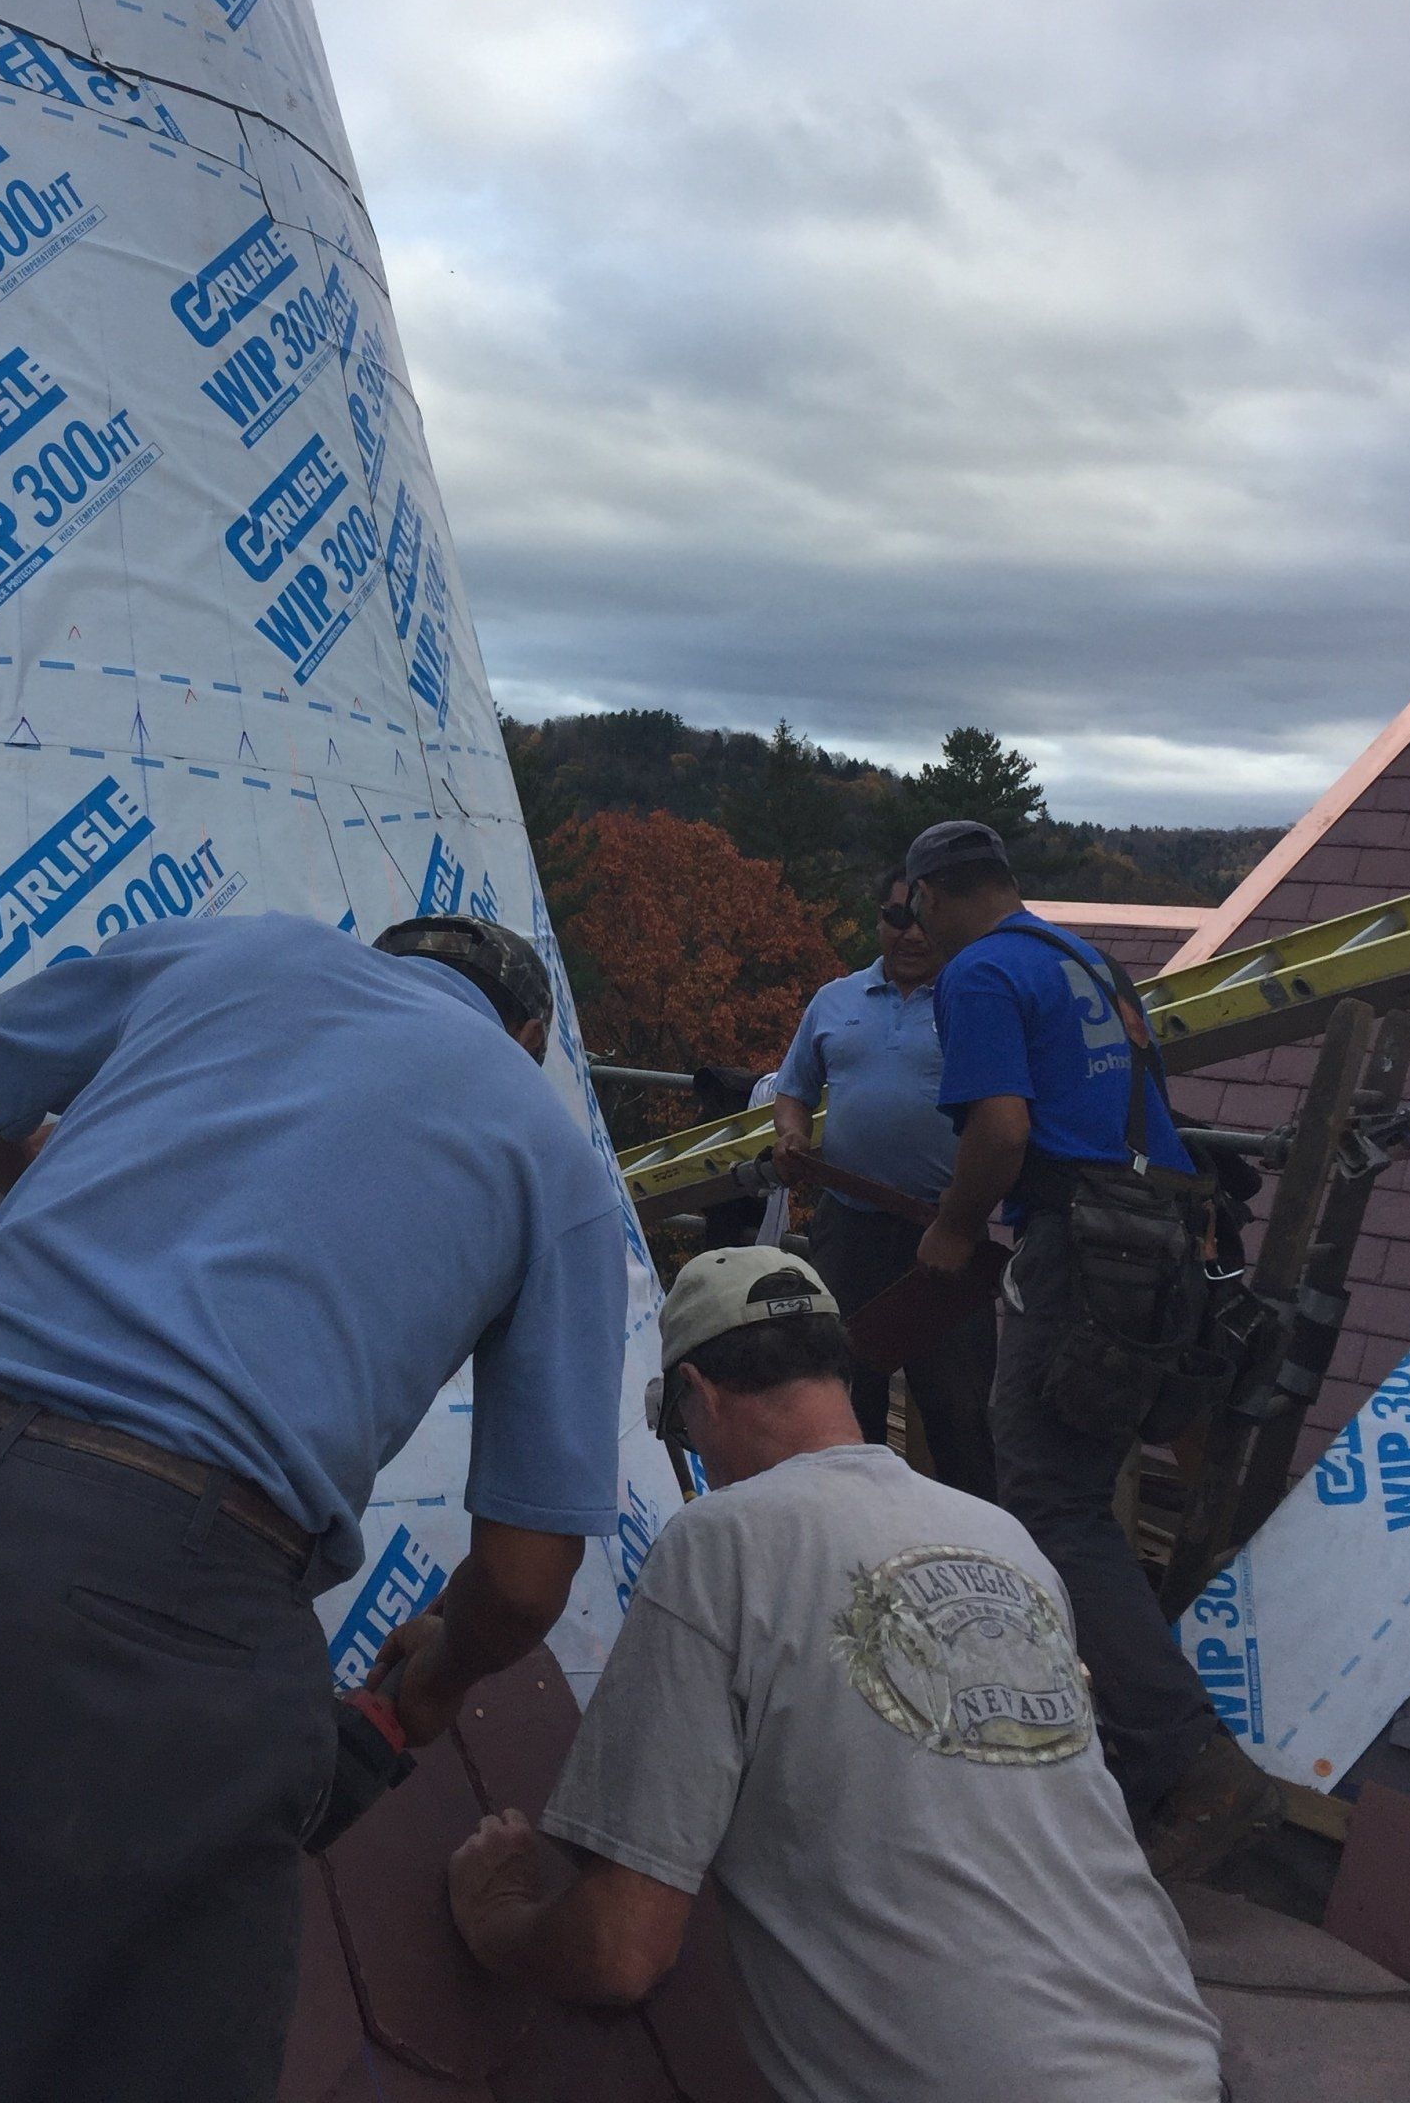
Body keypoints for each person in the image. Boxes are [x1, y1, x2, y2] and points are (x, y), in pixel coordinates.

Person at [0, 910, 626, 2103]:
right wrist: (446, 1670)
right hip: (167, 1598)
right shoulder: (549, 1150)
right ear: (525, 1035)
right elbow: (522, 1578)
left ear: (379, 961)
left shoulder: (244, 951)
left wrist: (47, 1164)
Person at [445, 1246, 1225, 2103]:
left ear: (699, 1395)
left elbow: (619, 1953)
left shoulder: (723, 1540)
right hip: (1179, 2061)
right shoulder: (1005, 1540)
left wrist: (500, 1926)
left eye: (680, 1429)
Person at [902, 819, 1280, 1879]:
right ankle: (1127, 1739)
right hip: (1156, 1238)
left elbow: (1005, 1130)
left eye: (912, 907)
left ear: (930, 897)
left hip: (1081, 1246)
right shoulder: (1088, 961)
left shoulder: (978, 972)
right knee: (1087, 1477)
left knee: (1054, 1495)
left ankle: (1187, 1758)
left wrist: (955, 1226)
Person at [772, 870, 996, 1495]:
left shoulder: (973, 1003)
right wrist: (792, 1134)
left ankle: (978, 1543)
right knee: (843, 1397)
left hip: (946, 1232)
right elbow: (794, 1089)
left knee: (958, 1408)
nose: (911, 934)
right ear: (878, 921)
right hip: (848, 1226)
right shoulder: (834, 1000)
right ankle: (855, 1535)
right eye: (898, 918)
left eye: (924, 919)